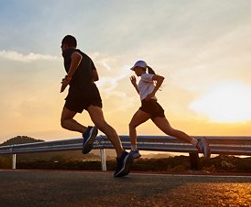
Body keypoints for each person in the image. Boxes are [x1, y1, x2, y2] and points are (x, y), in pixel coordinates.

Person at [60, 35, 133, 177]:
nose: (61, 49)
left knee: (65, 121)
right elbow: (96, 76)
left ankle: (86, 131)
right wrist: (77, 76)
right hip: (92, 91)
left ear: (65, 45)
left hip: (78, 91)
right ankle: (121, 154)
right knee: (102, 123)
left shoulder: (69, 52)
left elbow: (76, 57)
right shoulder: (87, 57)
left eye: (61, 47)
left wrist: (69, 78)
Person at [128, 60, 211, 159]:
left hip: (148, 106)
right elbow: (142, 95)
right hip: (155, 106)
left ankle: (134, 150)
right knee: (170, 131)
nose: (134, 72)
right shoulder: (144, 79)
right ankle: (197, 143)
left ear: (139, 68)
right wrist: (135, 85)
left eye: (135, 69)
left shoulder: (144, 76)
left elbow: (161, 78)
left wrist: (153, 93)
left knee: (132, 125)